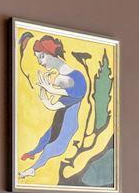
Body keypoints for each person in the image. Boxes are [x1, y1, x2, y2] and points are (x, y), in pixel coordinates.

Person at [18, 36, 91, 180]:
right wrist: (44, 90)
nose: (39, 61)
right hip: (60, 120)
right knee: (44, 140)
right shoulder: (59, 78)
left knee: (51, 148)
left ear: (50, 55)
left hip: (67, 125)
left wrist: (50, 89)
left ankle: (32, 169)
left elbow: (78, 92)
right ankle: (33, 157)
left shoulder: (75, 77)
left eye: (41, 57)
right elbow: (51, 105)